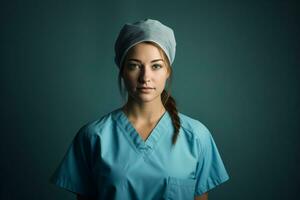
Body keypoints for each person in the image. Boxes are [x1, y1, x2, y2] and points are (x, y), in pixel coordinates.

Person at [49, 18, 230, 200]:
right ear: (122, 70)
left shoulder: (196, 136)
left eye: (156, 66)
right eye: (134, 65)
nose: (145, 77)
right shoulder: (94, 137)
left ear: (168, 70)